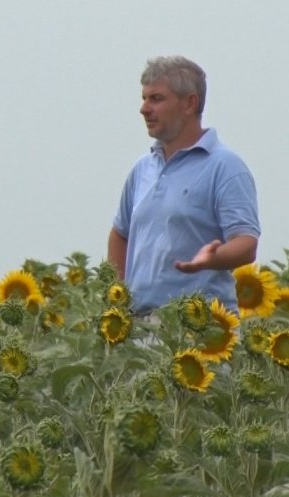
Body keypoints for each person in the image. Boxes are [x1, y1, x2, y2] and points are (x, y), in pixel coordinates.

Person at [107, 56, 260, 314]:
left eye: (156, 98)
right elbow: (120, 233)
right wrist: (117, 296)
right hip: (139, 328)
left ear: (190, 103)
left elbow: (246, 243)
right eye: (144, 98)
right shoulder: (143, 169)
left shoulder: (225, 167)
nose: (144, 109)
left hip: (201, 328)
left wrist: (214, 258)